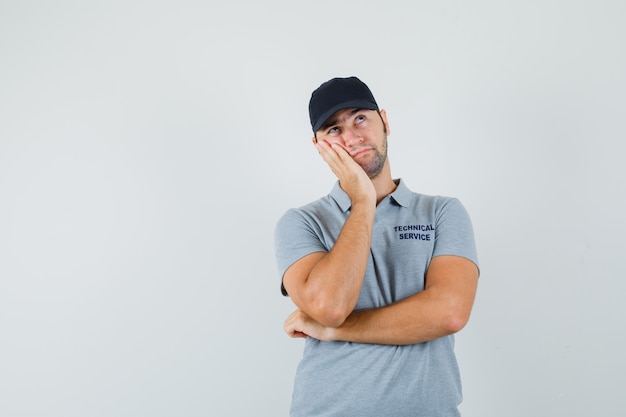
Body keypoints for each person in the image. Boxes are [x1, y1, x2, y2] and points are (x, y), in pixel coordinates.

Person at [274, 76, 479, 417]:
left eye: (359, 118)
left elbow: (449, 312)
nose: (352, 137)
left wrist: (330, 330)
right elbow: (330, 306)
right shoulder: (301, 222)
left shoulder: (443, 212)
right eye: (334, 129)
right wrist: (363, 201)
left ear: (384, 121)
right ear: (319, 146)